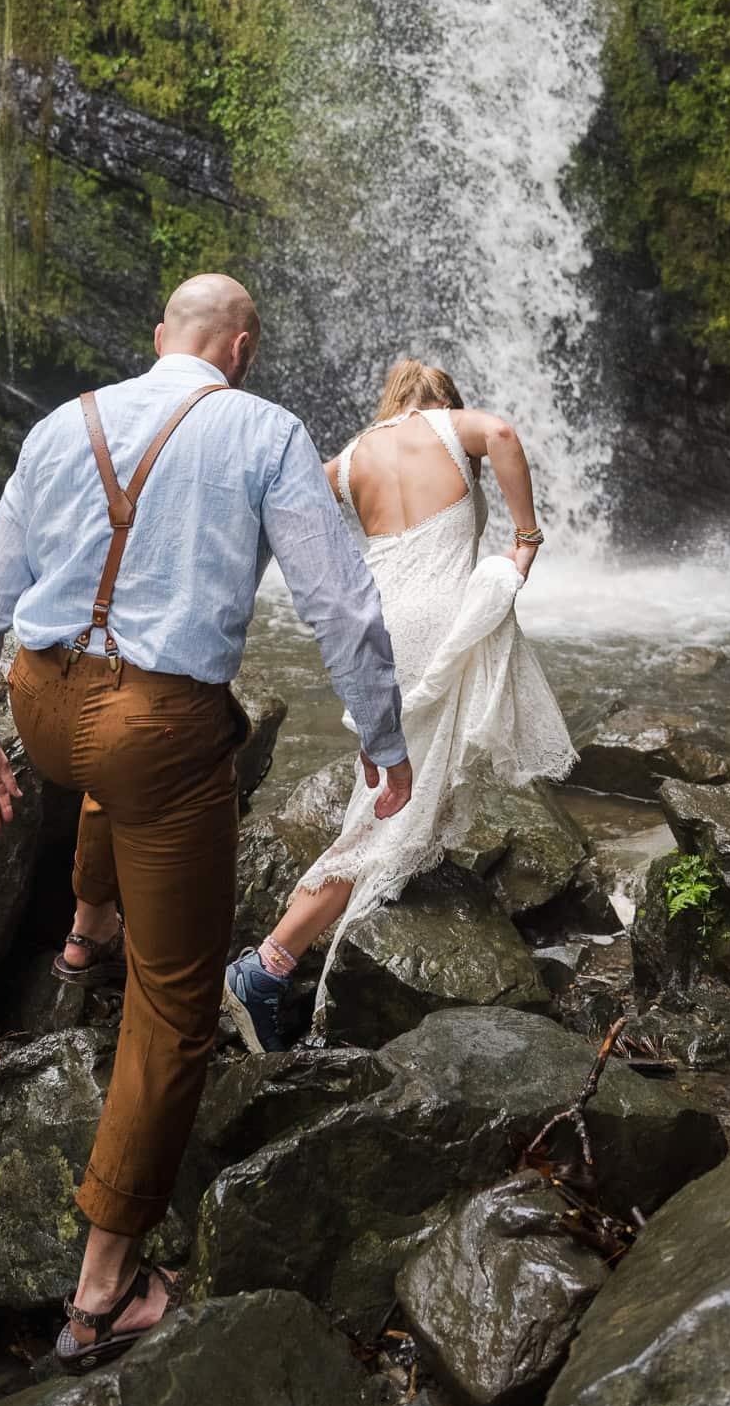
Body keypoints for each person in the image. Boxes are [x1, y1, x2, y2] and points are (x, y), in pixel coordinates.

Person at [0, 273, 410, 1371]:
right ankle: (106, 1289)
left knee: (117, 769)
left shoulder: (65, 422)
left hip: (40, 704)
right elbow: (339, 602)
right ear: (238, 349)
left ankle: (82, 930)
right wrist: (381, 738)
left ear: (159, 338)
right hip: (153, 726)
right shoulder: (265, 429)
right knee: (176, 997)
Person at [223, 357, 575, 1054]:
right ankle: (265, 966)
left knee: (388, 789)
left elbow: (282, 514)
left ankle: (285, 957)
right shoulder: (449, 428)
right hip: (439, 623)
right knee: (389, 819)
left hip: (380, 626)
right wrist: (525, 537)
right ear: (442, 402)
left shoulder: (349, 459)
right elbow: (502, 432)